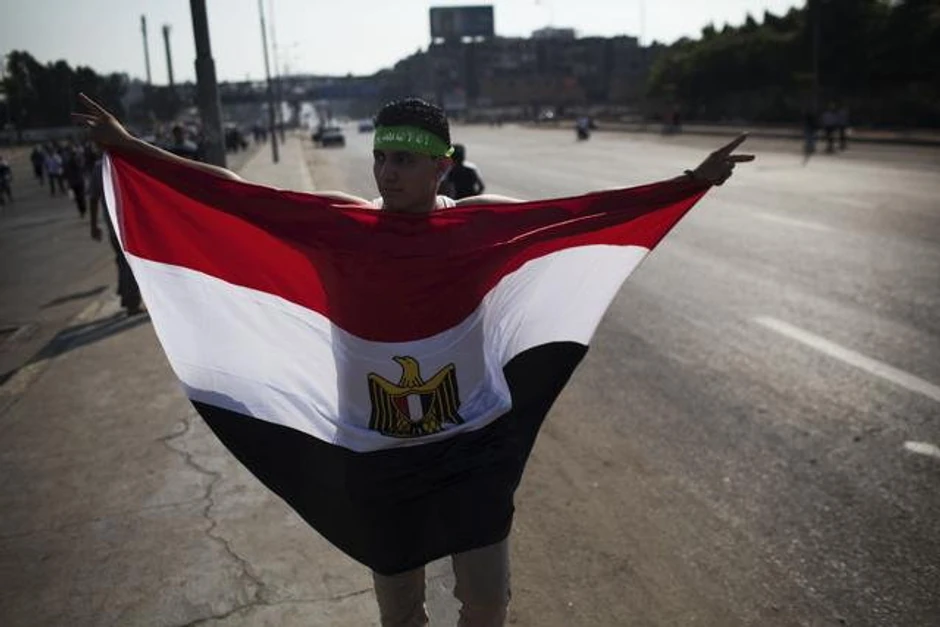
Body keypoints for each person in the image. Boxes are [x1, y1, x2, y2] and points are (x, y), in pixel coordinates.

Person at [73, 93, 753, 627]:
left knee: (486, 600)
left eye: (403, 160)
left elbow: (583, 214)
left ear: (441, 167)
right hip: (379, 455)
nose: (387, 172)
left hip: (472, 446)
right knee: (400, 613)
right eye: (382, 158)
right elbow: (235, 192)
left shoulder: (478, 225)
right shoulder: (342, 226)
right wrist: (132, 150)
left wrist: (687, 183)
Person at [86, 150, 144, 316]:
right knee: (129, 263)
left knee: (122, 261)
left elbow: (93, 198)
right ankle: (131, 302)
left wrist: (94, 225)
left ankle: (125, 294)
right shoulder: (123, 164)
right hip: (127, 227)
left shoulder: (99, 168)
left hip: (116, 227)